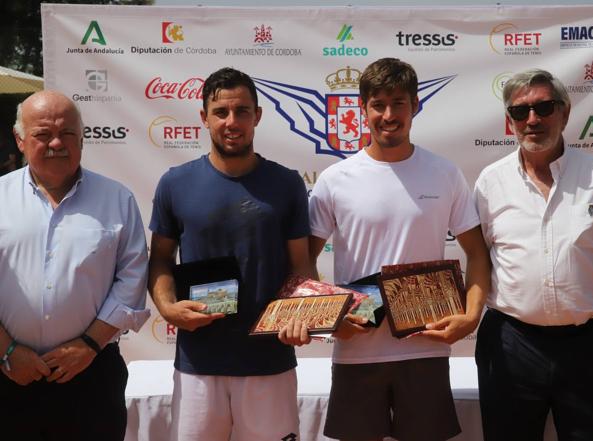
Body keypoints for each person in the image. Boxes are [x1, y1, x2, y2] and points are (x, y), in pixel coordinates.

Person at [308, 57, 491, 441]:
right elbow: (304, 259)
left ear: (416, 106)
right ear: (363, 108)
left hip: (425, 348)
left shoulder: (444, 173)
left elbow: (476, 252)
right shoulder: (334, 180)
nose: (388, 115)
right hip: (357, 354)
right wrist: (329, 318)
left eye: (398, 103)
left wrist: (471, 316)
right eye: (378, 104)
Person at [474, 69, 593, 441]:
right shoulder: (490, 182)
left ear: (565, 113)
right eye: (520, 112)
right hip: (510, 344)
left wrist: (588, 310)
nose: (532, 119)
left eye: (543, 107)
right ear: (510, 122)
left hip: (591, 348)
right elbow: (480, 257)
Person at [148, 67, 314, 441]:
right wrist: (168, 308)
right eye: (221, 112)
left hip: (269, 361)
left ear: (257, 116)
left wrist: (300, 312)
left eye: (242, 111)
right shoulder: (175, 183)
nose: (232, 122)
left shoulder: (287, 183)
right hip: (198, 364)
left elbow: (301, 265)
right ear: (204, 118)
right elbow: (160, 259)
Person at [0, 90, 150, 441]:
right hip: (7, 373)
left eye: (67, 133)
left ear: (82, 139)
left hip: (90, 374)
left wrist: (88, 346)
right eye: (42, 134)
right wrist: (6, 350)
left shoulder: (117, 199)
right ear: (20, 140)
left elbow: (131, 281)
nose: (56, 142)